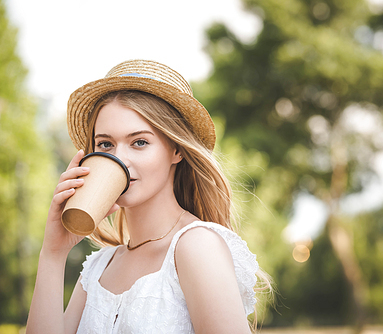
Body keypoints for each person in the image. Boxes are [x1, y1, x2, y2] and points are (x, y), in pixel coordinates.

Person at [26, 60, 267, 334]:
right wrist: (53, 253)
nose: (119, 159)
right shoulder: (98, 268)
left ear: (177, 150)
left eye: (139, 142)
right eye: (105, 144)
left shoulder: (196, 246)